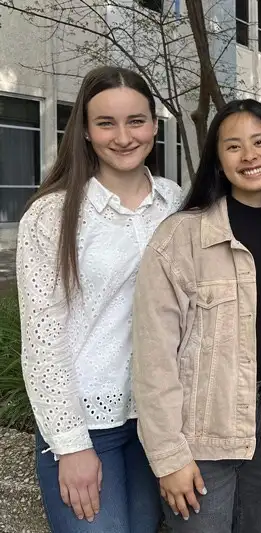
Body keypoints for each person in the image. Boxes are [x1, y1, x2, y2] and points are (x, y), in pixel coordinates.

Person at [16, 65, 182, 533]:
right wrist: (71, 446)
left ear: (154, 124)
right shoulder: (51, 216)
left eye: (136, 120)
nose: (123, 136)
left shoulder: (175, 203)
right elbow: (43, 341)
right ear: (86, 131)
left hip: (157, 422)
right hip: (87, 425)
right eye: (106, 123)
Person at [131, 99, 261, 533]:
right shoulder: (181, 236)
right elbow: (153, 356)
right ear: (217, 160)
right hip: (200, 434)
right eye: (233, 146)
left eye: (260, 142)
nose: (249, 156)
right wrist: (169, 456)